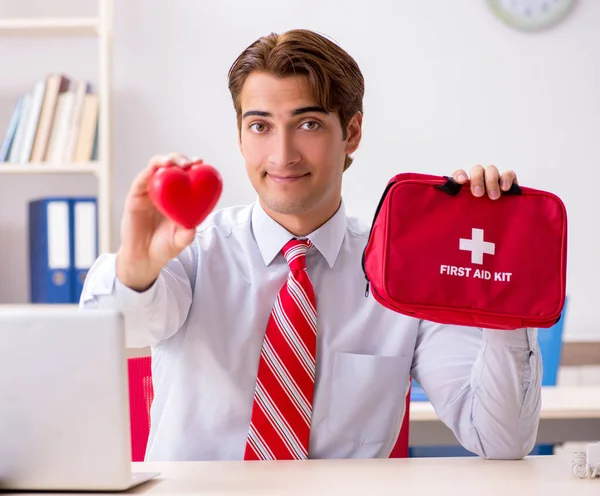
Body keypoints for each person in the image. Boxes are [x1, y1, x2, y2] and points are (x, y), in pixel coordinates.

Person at [80, 28, 542, 462]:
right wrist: (136, 266)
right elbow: (114, 335)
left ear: (352, 134)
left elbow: (499, 439)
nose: (283, 155)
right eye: (260, 126)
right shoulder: (193, 252)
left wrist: (502, 285)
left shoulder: (401, 272)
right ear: (240, 136)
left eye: (308, 125)